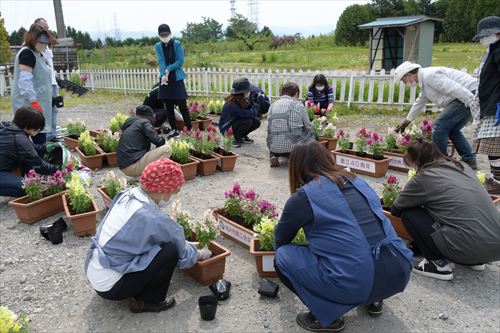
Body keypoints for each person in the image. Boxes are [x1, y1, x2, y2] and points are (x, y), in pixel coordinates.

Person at [274, 141, 412, 332]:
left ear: (296, 168)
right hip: (397, 270)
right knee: (365, 243)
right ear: (327, 159)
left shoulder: (303, 197)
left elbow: (281, 240)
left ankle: (326, 316)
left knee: (282, 256)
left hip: (357, 282)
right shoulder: (358, 181)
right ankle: (374, 299)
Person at [85, 159, 211, 313]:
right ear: (164, 191)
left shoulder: (128, 194)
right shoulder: (150, 217)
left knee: (160, 246)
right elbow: (180, 250)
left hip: (96, 272)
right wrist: (199, 254)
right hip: (113, 288)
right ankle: (147, 301)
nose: (173, 197)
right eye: (173, 192)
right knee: (169, 250)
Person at [391, 139, 500, 281]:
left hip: (467, 249)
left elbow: (396, 208)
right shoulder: (462, 166)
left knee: (409, 214)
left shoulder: (424, 177)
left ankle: (437, 265)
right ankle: (476, 261)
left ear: (417, 162)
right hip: (496, 247)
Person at [394, 61, 478, 169]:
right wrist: (406, 121)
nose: (405, 83)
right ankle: (469, 159)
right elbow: (419, 102)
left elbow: (453, 88)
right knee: (452, 129)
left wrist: (472, 101)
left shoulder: (429, 76)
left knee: (439, 127)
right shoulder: (425, 82)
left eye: (403, 80)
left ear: (408, 75)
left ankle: (441, 163)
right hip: (466, 95)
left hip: (465, 95)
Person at [11, 23, 57, 145]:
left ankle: (36, 161)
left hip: (39, 103)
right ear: (33, 39)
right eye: (42, 42)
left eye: (46, 43)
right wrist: (34, 101)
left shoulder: (38, 53)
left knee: (38, 136)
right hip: (29, 105)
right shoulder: (27, 53)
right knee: (29, 137)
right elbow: (25, 81)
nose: (44, 45)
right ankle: (34, 162)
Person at [0, 107, 60, 197]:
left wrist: (46, 148)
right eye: (38, 128)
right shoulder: (19, 138)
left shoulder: (8, 127)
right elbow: (38, 164)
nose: (39, 130)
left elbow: (30, 147)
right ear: (29, 126)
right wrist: (58, 169)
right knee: (28, 187)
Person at [471, 16, 500, 194]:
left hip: (496, 104)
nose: (483, 40)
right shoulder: (494, 48)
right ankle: (496, 180)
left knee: (493, 145)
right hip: (491, 103)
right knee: (494, 146)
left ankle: (497, 182)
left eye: (484, 36)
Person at [154, 24, 191, 138]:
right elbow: (161, 61)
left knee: (182, 104)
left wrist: (169, 69)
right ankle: (174, 130)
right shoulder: (158, 46)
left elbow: (180, 61)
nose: (164, 36)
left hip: (176, 77)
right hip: (165, 78)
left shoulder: (177, 44)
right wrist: (163, 75)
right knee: (168, 106)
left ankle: (189, 129)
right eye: (162, 35)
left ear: (170, 33)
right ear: (159, 35)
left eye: (166, 34)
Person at [267, 82, 315, 167]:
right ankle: (297, 158)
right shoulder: (298, 105)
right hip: (293, 147)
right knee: (312, 135)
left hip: (273, 146)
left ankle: (273, 155)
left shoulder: (272, 106)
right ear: (296, 93)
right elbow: (308, 127)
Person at [117, 105, 171, 177]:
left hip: (126, 164)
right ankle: (150, 177)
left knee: (153, 145)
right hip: (132, 166)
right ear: (149, 116)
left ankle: (141, 175)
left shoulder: (132, 123)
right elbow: (158, 141)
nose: (155, 118)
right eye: (154, 116)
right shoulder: (144, 122)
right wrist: (164, 140)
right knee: (167, 149)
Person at [34, 18, 59, 142]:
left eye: (48, 27)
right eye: (44, 27)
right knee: (43, 111)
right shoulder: (32, 45)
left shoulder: (46, 44)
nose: (47, 29)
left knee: (54, 109)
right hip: (42, 84)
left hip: (52, 82)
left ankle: (51, 135)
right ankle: (43, 135)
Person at [219, 78, 261, 147]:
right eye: (247, 91)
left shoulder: (239, 99)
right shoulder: (231, 105)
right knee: (248, 121)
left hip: (234, 123)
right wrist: (255, 107)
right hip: (226, 130)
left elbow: (247, 110)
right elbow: (249, 114)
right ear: (242, 93)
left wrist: (252, 102)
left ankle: (242, 136)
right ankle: (234, 139)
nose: (248, 92)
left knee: (256, 121)